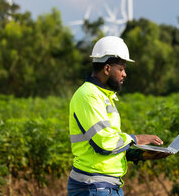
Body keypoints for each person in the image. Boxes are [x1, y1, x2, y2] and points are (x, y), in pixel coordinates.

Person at [67, 36, 169, 196]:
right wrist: (136, 139)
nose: (125, 74)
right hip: (93, 185)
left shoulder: (103, 96)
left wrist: (140, 154)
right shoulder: (88, 95)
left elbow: (110, 144)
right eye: (121, 69)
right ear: (107, 69)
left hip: (105, 185)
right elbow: (103, 142)